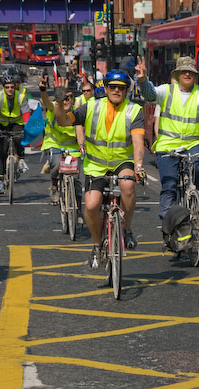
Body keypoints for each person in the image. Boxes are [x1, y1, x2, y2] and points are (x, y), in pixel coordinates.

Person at [53, 70, 146, 269]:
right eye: (112, 87)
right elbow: (63, 121)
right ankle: (96, 245)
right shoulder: (91, 107)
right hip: (96, 165)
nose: (116, 91)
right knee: (92, 205)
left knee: (128, 186)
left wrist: (138, 165)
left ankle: (126, 230)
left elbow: (138, 143)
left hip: (123, 162)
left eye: (121, 88)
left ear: (126, 90)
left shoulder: (134, 110)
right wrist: (59, 103)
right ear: (105, 88)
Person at [136, 55, 199, 219]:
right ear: (177, 75)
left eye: (191, 72)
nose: (187, 75)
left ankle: (197, 207)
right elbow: (150, 95)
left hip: (193, 145)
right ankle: (167, 225)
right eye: (183, 72)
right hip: (167, 145)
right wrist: (143, 80)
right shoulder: (166, 90)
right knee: (170, 184)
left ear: (195, 75)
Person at [38, 74, 82, 211]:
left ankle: (78, 210)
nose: (66, 100)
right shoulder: (53, 109)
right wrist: (43, 91)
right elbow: (45, 101)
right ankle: (54, 186)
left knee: (77, 179)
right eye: (63, 97)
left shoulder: (78, 112)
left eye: (69, 98)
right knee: (57, 163)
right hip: (54, 143)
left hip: (72, 146)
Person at [0, 74, 31, 194]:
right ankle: (1, 181)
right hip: (2, 123)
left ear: (14, 87)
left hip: (17, 122)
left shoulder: (21, 97)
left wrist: (27, 124)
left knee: (19, 137)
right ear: (3, 87)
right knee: (2, 152)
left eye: (11, 87)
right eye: (7, 87)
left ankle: (21, 159)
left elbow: (26, 113)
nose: (10, 89)